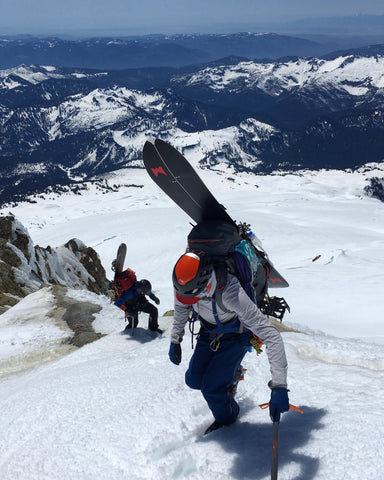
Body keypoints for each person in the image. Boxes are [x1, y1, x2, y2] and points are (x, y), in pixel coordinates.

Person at [168, 251, 289, 432]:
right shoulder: (185, 286)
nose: (187, 301)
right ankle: (232, 375)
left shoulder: (232, 293)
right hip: (208, 333)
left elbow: (272, 336)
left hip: (236, 336)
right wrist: (175, 339)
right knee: (193, 380)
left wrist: (279, 386)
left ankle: (228, 420)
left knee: (211, 390)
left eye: (193, 297)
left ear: (206, 284)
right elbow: (181, 308)